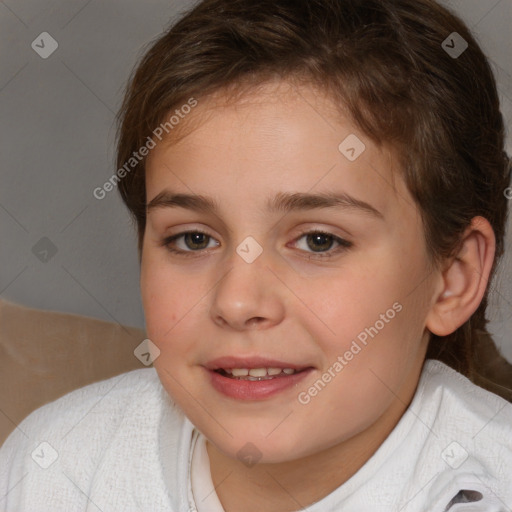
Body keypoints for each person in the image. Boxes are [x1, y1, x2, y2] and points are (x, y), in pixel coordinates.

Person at [1, 0, 512, 510]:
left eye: (319, 241)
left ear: (453, 277)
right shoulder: (57, 467)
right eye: (193, 239)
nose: (238, 301)